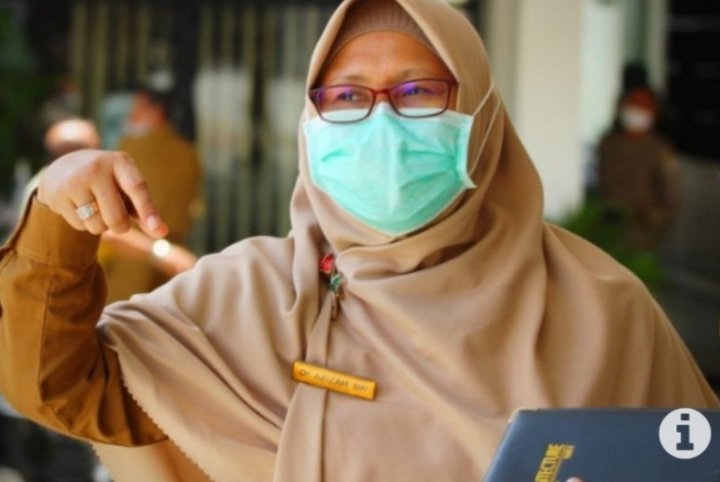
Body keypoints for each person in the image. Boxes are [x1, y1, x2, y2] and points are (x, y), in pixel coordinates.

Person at [0, 1, 717, 481]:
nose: (382, 123)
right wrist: (56, 216)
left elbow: (691, 460)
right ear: (311, 124)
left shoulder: (600, 308)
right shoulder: (251, 294)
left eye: (417, 92)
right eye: (346, 96)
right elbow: (59, 387)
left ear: (481, 116)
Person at [102, 85, 202, 302]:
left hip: (130, 264)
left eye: (137, 108)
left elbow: (109, 222)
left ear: (156, 111)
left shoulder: (129, 148)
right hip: (176, 265)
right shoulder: (188, 152)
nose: (130, 115)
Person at [597, 86, 680, 251]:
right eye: (633, 103)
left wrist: (648, 217)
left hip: (642, 235)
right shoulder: (608, 144)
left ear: (654, 112)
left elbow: (670, 201)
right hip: (605, 229)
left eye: (644, 105)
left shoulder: (661, 151)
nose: (637, 110)